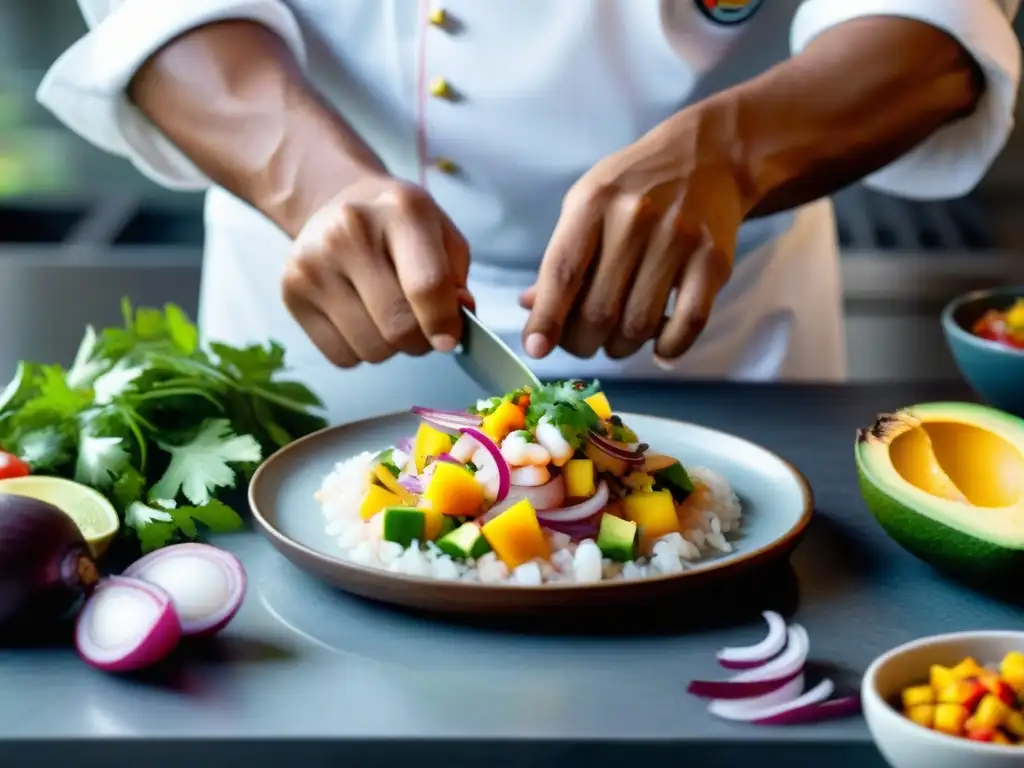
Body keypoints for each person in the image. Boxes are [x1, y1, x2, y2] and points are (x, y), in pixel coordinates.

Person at [39, 1, 1021, 423]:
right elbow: (155, 15)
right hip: (316, 331)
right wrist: (313, 183)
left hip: (718, 341)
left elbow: (936, 30)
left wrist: (734, 149)